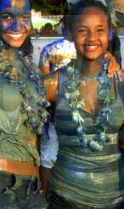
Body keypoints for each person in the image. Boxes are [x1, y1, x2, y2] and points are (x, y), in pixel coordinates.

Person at [43, 0, 124, 208]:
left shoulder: (122, 81)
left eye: (100, 30)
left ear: (109, 33)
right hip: (66, 197)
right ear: (70, 33)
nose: (92, 38)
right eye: (83, 30)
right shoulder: (53, 83)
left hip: (115, 198)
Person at [0, 0, 48, 208]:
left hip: (32, 188)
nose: (17, 25)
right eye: (8, 16)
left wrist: (106, 59)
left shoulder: (32, 70)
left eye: (25, 17)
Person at [38, 15, 77, 196]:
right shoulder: (86, 49)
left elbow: (44, 83)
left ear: (63, 26)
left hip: (54, 111)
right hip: (79, 110)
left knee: (48, 158)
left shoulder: (49, 49)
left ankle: (45, 197)